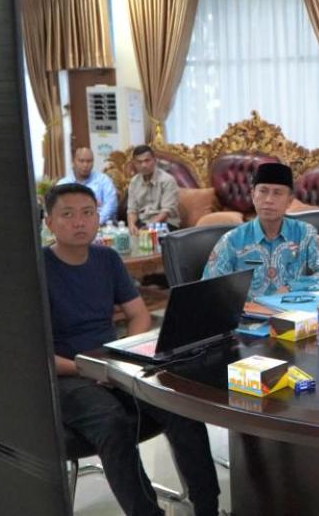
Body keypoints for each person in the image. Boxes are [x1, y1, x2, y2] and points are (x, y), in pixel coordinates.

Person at [43, 184, 220, 516]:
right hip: (66, 374)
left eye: (88, 213)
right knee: (112, 422)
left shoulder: (107, 259)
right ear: (49, 222)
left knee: (180, 403)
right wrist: (87, 368)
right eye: (67, 214)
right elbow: (34, 352)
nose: (79, 222)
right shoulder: (37, 269)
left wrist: (123, 356)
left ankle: (207, 507)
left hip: (111, 363)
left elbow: (138, 315)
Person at [203, 162, 319, 299]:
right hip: (248, 312)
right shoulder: (231, 240)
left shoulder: (305, 234)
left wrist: (291, 287)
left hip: (290, 310)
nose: (269, 200)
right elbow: (209, 289)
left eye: (277, 193)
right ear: (253, 195)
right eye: (263, 191)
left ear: (289, 200)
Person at [127, 145, 180, 235]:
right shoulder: (134, 182)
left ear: (154, 160)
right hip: (143, 222)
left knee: (147, 238)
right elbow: (132, 210)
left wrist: (149, 226)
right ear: (134, 164)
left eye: (147, 160)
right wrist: (131, 225)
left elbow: (166, 212)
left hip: (165, 224)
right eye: (139, 162)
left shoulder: (167, 180)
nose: (144, 165)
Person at [56, 147, 118, 225]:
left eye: (89, 161)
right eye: (81, 161)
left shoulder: (103, 180)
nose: (85, 165)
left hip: (101, 225)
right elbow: (59, 210)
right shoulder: (63, 184)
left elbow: (111, 206)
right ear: (73, 162)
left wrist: (95, 223)